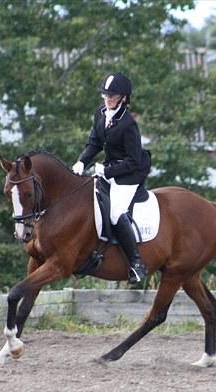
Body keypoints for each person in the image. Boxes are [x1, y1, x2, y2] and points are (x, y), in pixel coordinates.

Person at [72, 72, 150, 284]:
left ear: (123, 98)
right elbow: (95, 143)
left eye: (112, 96)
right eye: (105, 95)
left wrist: (106, 171)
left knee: (115, 213)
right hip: (109, 168)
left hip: (129, 175)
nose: (107, 99)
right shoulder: (100, 113)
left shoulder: (128, 125)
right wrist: (81, 162)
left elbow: (133, 161)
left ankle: (136, 264)